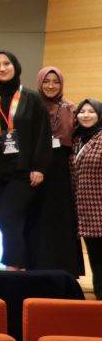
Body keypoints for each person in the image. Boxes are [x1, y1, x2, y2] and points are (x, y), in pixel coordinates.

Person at [0, 51, 51, 271]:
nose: (2, 68)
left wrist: (39, 167)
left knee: (10, 216)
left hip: (23, 172)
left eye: (6, 63)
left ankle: (13, 267)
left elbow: (43, 134)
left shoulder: (32, 99)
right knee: (5, 221)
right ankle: (20, 266)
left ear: (16, 66)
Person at [28, 66, 82, 276]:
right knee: (37, 216)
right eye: (46, 81)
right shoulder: (30, 106)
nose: (51, 86)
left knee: (61, 217)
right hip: (35, 167)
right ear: (39, 82)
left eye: (56, 82)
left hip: (61, 169)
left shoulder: (71, 108)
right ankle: (36, 266)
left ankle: (65, 269)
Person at [71, 99, 102, 299]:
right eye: (82, 111)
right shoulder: (77, 139)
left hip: (99, 207)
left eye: (91, 111)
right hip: (87, 212)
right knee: (96, 259)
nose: (86, 115)